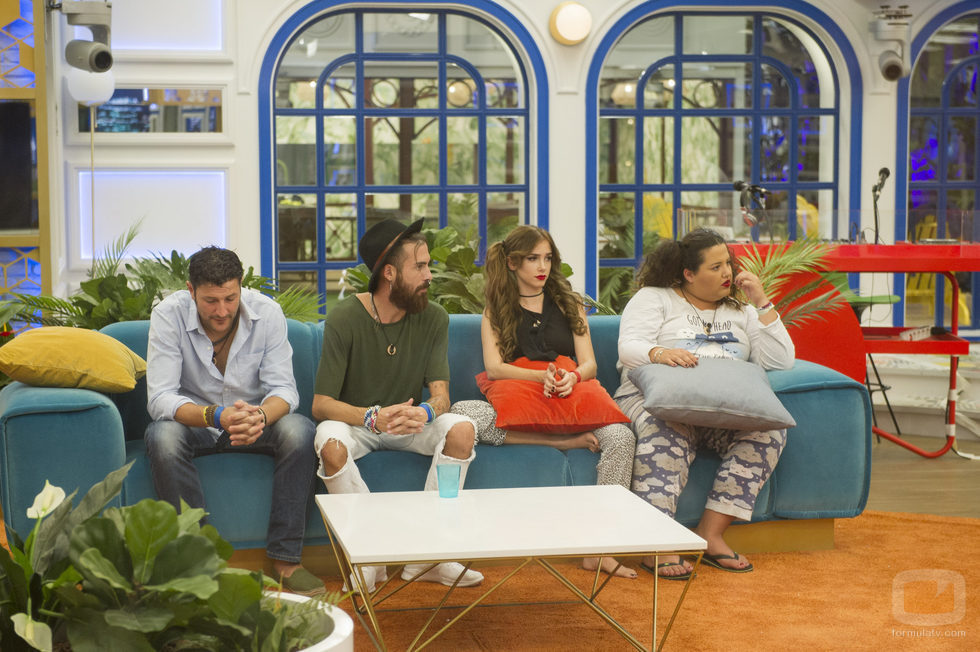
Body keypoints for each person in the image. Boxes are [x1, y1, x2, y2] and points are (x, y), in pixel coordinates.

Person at [451, 225, 637, 579]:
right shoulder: (497, 309)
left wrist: (573, 378)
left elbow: (590, 364)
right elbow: (494, 367)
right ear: (512, 263)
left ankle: (601, 548)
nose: (543, 266)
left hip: (571, 398)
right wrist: (540, 377)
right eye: (533, 258)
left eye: (548, 258)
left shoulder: (570, 304)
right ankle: (560, 442)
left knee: (621, 437)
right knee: (463, 415)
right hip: (521, 400)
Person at [313, 218, 483, 592]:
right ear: (389, 273)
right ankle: (368, 557)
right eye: (419, 267)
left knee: (462, 429)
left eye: (428, 265)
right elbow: (322, 404)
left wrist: (423, 412)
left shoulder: (434, 317)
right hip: (360, 425)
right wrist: (372, 416)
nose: (429, 275)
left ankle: (431, 556)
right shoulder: (345, 317)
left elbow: (441, 395)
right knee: (329, 444)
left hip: (410, 425)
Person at [615, 228, 795, 579]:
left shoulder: (740, 312)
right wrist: (660, 353)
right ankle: (657, 544)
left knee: (768, 433)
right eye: (716, 267)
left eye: (728, 263)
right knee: (665, 432)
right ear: (688, 274)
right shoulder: (656, 298)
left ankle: (710, 535)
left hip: (720, 408)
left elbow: (781, 360)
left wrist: (761, 302)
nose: (728, 272)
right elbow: (628, 347)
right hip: (655, 401)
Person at [145, 246, 322, 596]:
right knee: (162, 437)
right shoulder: (168, 315)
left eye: (230, 298)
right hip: (197, 423)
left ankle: (287, 560)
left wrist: (259, 416)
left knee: (301, 431)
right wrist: (215, 415)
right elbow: (160, 397)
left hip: (255, 422)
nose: (222, 311)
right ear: (190, 289)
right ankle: (200, 564)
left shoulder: (267, 313)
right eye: (211, 301)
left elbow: (284, 389)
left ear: (241, 286)